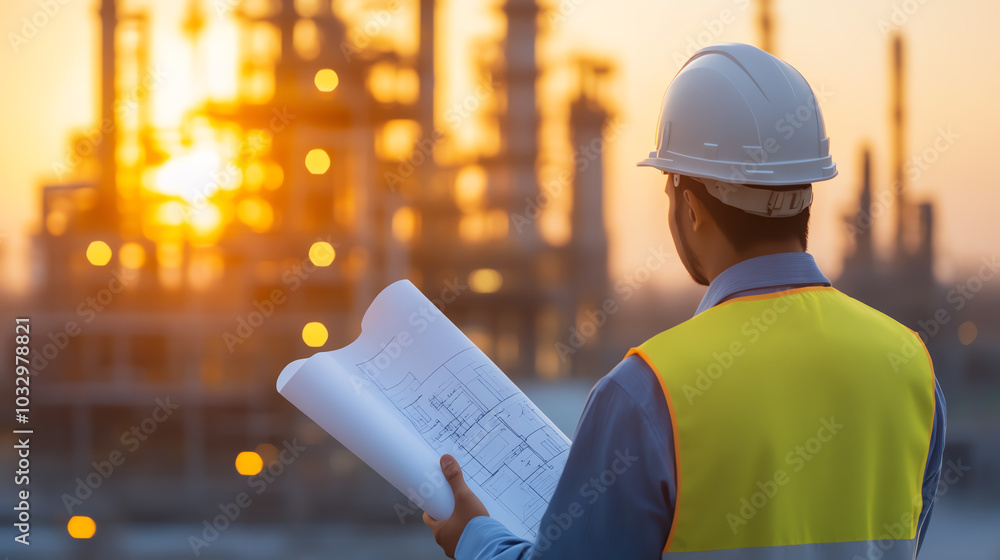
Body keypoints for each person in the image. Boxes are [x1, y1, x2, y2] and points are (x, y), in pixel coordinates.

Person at [423, 43, 946, 560]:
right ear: (806, 193)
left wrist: (474, 537)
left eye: (670, 187)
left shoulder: (648, 392)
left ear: (690, 208)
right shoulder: (912, 370)